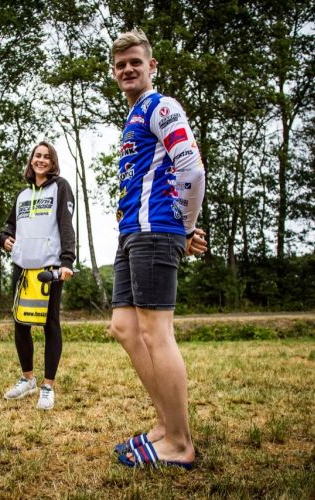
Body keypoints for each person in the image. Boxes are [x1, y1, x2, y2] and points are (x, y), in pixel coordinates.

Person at [109, 29, 207, 469]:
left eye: (136, 62)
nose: (128, 69)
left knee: (156, 333)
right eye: (120, 65)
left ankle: (180, 444)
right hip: (131, 232)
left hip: (154, 232)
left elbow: (191, 167)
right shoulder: (133, 116)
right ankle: (166, 424)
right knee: (124, 328)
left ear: (152, 66)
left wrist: (184, 227)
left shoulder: (160, 107)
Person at [0, 141, 75, 410]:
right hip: (22, 266)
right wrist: (4, 238)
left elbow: (66, 225)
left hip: (49, 268)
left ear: (53, 163)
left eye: (46, 157)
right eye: (37, 156)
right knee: (21, 323)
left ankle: (47, 387)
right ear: (31, 160)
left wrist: (67, 261)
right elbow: (9, 226)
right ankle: (28, 379)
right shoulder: (22, 195)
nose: (41, 160)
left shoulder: (60, 187)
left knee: (50, 323)